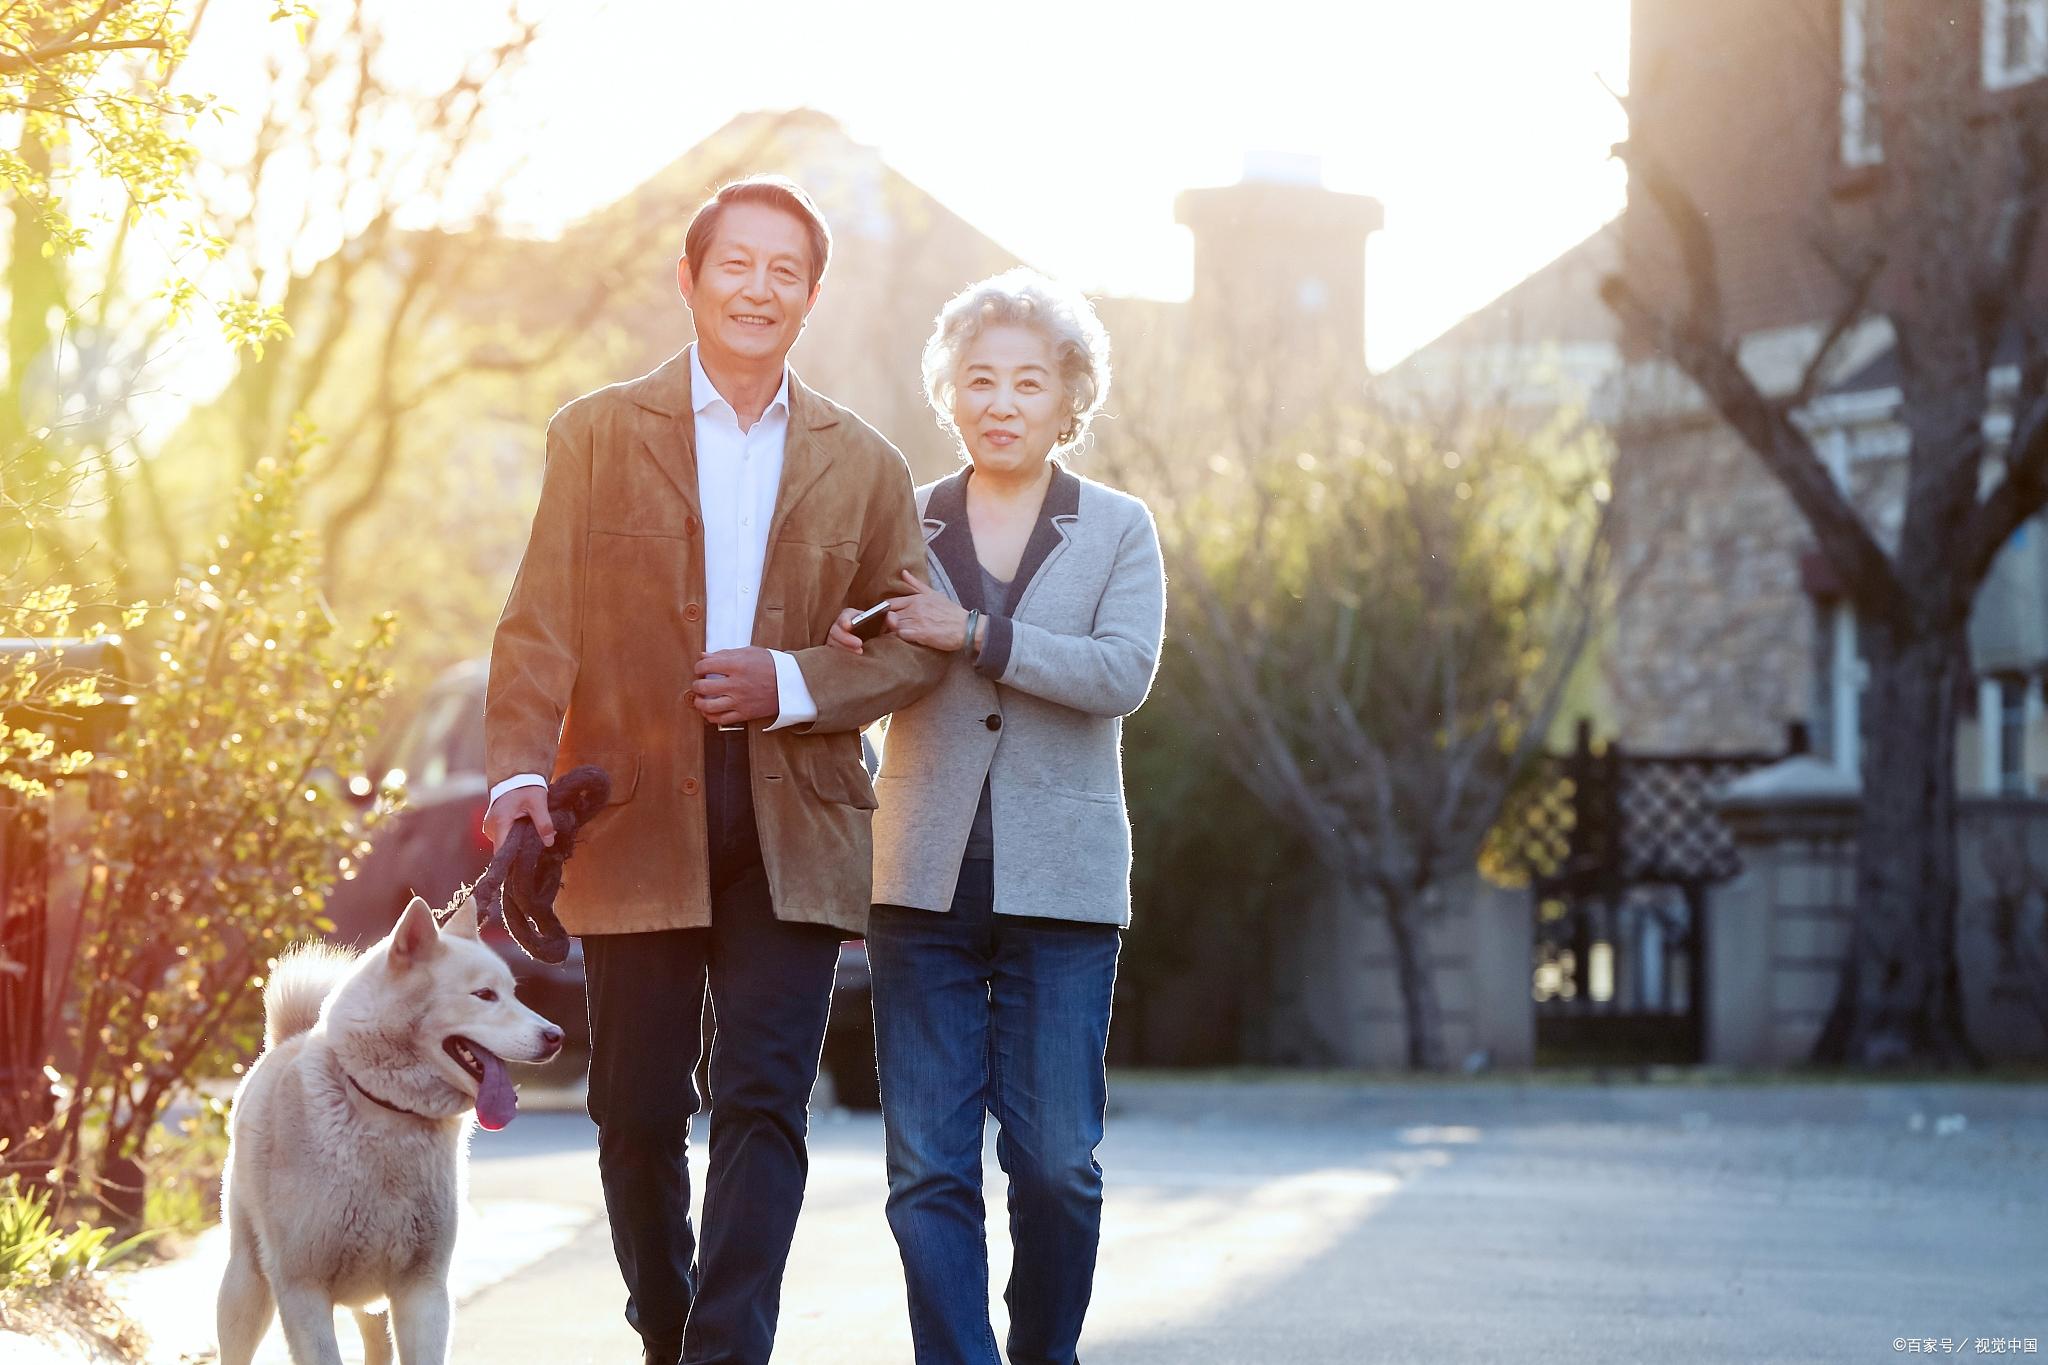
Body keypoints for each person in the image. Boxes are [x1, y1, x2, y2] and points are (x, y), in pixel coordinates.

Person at [483, 175, 947, 1365]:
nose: (758, 288)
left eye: (784, 271)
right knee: (635, 1111)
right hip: (630, 806)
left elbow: (916, 635)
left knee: (761, 1102)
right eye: (734, 264)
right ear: (687, 281)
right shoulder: (594, 433)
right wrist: (515, 776)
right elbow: (540, 621)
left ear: (810, 298)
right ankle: (670, 1329)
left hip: (795, 818)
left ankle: (726, 1352)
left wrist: (791, 683)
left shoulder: (864, 462)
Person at [827, 268, 1165, 1365]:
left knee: (1057, 1161)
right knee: (926, 1164)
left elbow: (1121, 673)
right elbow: (869, 671)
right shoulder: (899, 521)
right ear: (949, 394)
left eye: (1028, 382)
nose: (1002, 402)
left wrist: (974, 634)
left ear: (1071, 399)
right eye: (979, 380)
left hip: (1061, 887)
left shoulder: (1117, 530)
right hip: (917, 882)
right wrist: (850, 652)